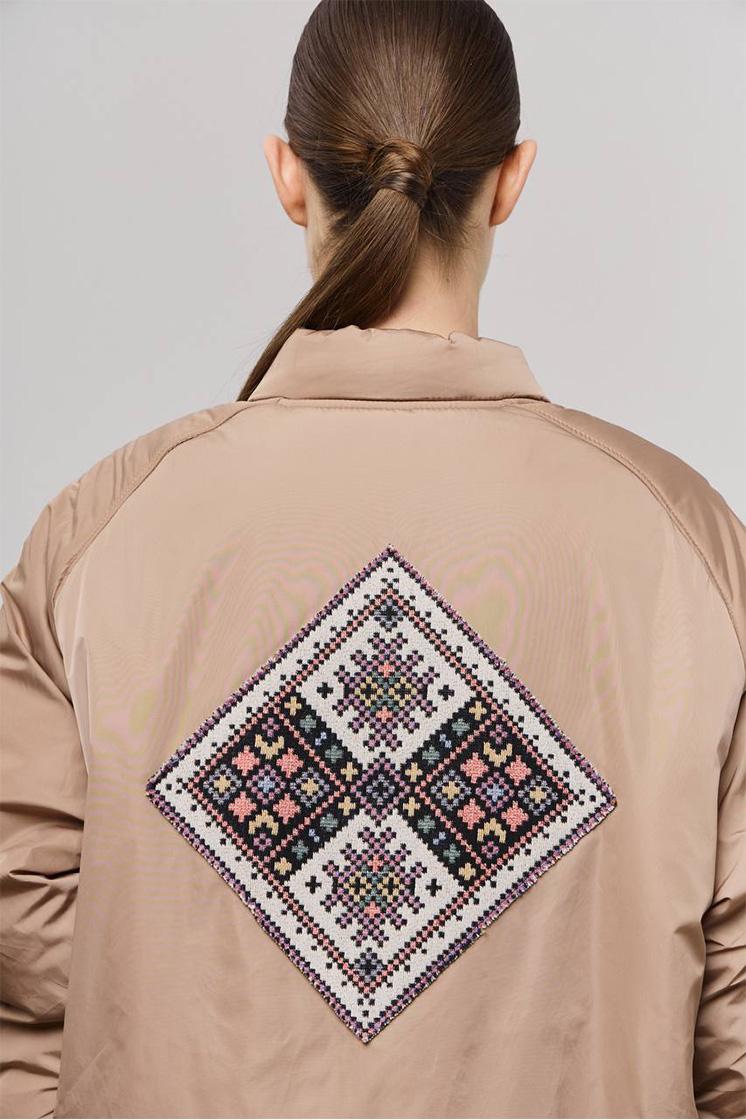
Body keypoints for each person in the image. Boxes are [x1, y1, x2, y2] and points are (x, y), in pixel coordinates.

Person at [1, 1, 744, 1117]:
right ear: (511, 180)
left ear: (287, 176)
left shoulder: (100, 533)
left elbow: (26, 964)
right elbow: (734, 1024)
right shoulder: (686, 542)